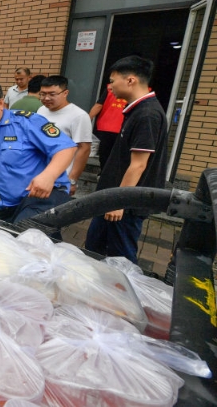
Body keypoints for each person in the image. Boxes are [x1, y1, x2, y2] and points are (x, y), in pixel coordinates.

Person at [85, 56, 168, 264]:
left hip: (125, 204)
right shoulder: (136, 110)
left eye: (112, 81)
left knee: (120, 259)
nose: (110, 87)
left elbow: (138, 165)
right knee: (94, 248)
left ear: (130, 80)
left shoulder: (147, 114)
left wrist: (119, 203)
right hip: (113, 197)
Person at [0, 80, 76, 226]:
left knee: (22, 234)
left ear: (0, 103)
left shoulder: (27, 122)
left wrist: (48, 176)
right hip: (7, 206)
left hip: (41, 197)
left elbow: (66, 148)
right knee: (13, 237)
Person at [37, 75, 92, 197]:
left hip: (61, 178)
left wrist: (72, 180)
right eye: (42, 94)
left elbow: (84, 149)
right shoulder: (41, 110)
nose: (46, 98)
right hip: (39, 173)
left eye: (52, 94)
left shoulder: (79, 116)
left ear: (65, 93)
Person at [89, 83, 128, 169]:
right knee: (120, 154)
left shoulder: (110, 88)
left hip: (107, 126)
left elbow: (99, 105)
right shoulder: (140, 90)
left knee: (105, 153)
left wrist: (88, 119)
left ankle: (103, 172)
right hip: (124, 127)